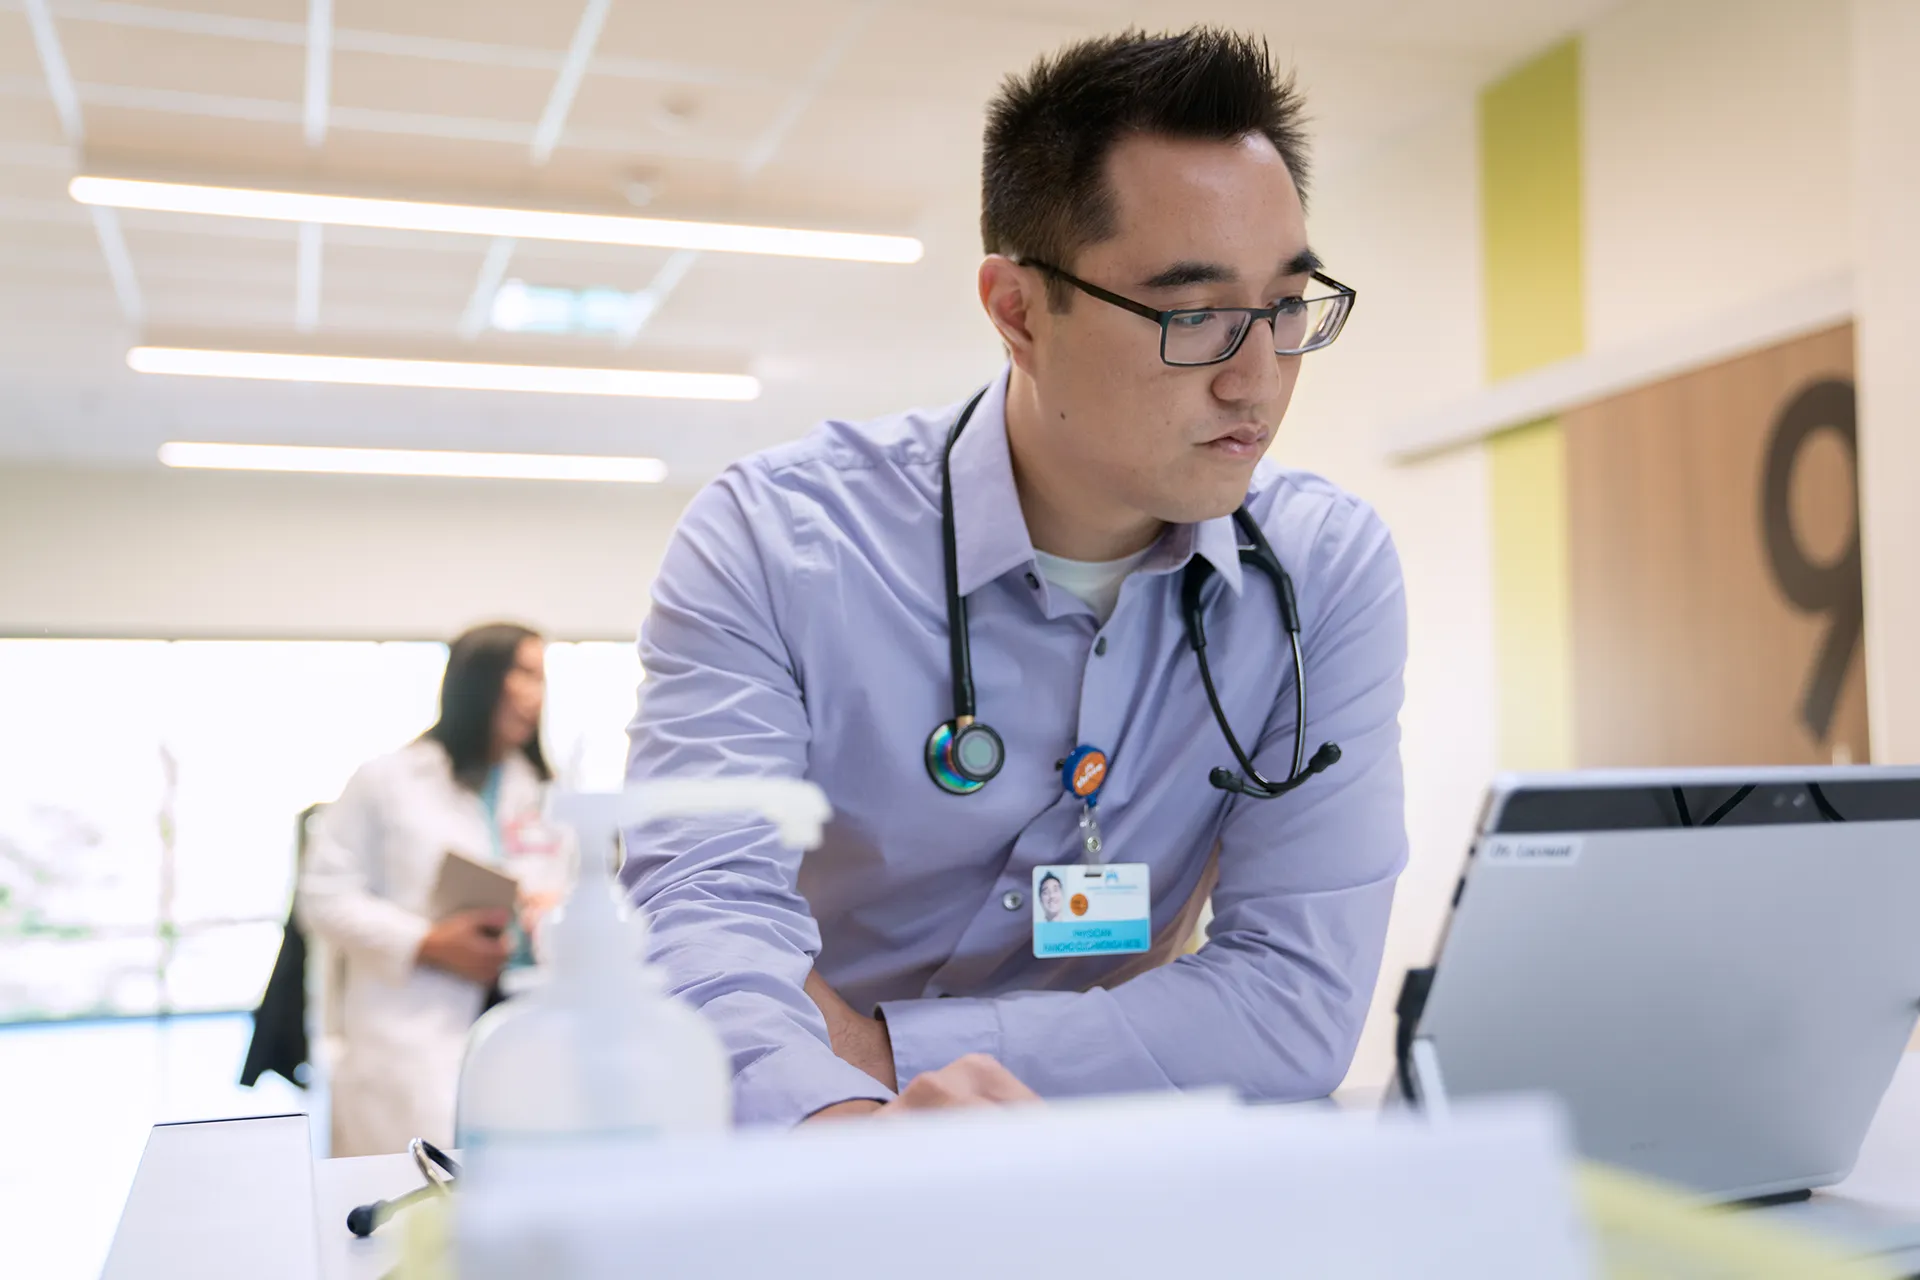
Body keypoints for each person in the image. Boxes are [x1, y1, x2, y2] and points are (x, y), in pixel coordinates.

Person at [624, 28, 1408, 1126]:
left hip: (1101, 1177)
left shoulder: (1320, 574)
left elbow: (1292, 1006)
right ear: (1019, 311)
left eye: (1284, 308)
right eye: (1194, 316)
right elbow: (699, 915)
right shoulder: (775, 540)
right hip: (801, 1158)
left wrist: (878, 1052)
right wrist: (847, 1124)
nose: (1257, 380)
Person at [298, 622, 566, 1155]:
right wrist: (428, 942)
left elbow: (566, 881)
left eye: (540, 677)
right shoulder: (386, 780)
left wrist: (555, 907)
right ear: (477, 680)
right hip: (411, 1028)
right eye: (521, 673)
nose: (533, 693)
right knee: (420, 1187)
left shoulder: (542, 790)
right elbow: (323, 896)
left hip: (524, 1019)